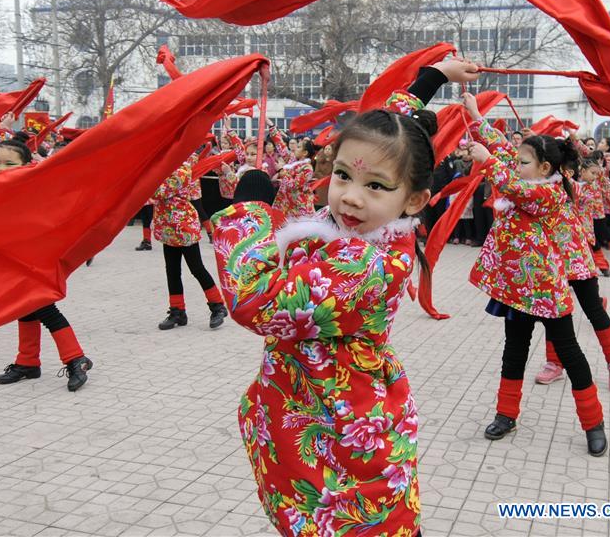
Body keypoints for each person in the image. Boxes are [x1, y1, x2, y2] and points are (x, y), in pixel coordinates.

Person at [209, 56, 480, 536]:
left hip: (338, 435)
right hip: (317, 409)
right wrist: (435, 77)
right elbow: (388, 126)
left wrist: (247, 209)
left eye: (375, 186)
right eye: (342, 176)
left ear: (414, 200)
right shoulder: (361, 225)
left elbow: (254, 301)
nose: (352, 196)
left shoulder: (365, 263)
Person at [462, 95, 607, 457]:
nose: (515, 165)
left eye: (523, 162)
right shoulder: (527, 174)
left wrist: (487, 161)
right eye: (516, 161)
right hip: (516, 287)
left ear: (544, 168)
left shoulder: (548, 191)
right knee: (514, 350)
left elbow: (513, 186)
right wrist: (476, 115)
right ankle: (506, 414)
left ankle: (593, 422)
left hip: (545, 289)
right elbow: (502, 150)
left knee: (569, 352)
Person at [0, 140, 94, 392]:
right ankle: (27, 362)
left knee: (45, 309)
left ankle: (76, 358)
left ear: (27, 165)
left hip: (33, 260)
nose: (0, 168)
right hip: (9, 259)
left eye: (9, 164)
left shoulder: (33, 188)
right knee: (24, 307)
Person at [534, 155, 610, 393]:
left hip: (578, 258)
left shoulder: (573, 186)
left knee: (594, 311)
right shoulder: (536, 186)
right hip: (552, 259)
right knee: (553, 312)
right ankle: (554, 363)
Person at [152, 161, 228, 331]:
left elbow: (158, 192)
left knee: (197, 268)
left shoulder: (182, 169)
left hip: (184, 227)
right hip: (168, 227)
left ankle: (218, 306)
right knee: (172, 270)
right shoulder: (162, 168)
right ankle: (177, 311)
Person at [274, 137, 317, 218]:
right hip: (287, 205)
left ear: (305, 153)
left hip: (299, 208)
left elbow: (294, 184)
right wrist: (273, 130)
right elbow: (282, 147)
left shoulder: (307, 168)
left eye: (298, 147)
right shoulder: (293, 160)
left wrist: (282, 171)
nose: (295, 149)